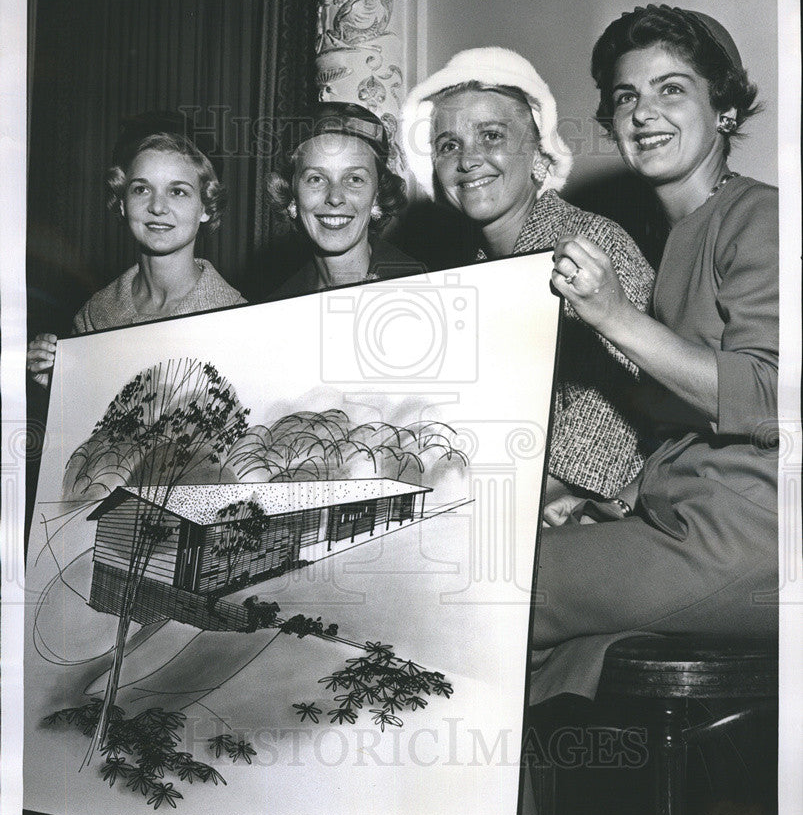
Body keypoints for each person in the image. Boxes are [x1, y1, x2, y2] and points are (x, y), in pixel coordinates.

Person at [519, 5, 778, 815]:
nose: (642, 111)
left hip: (748, 540)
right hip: (694, 522)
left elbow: (769, 396)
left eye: (672, 89)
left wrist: (611, 318)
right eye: (624, 95)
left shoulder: (763, 220)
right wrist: (614, 495)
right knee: (555, 641)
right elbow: (687, 423)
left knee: (479, 597)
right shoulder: (676, 238)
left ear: (726, 109)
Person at [400, 48, 656, 505]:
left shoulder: (594, 241)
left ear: (539, 151)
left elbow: (621, 410)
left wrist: (501, 497)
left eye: (491, 135)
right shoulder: (464, 279)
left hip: (594, 512)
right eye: (448, 145)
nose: (468, 160)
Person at [26, 131, 244, 387]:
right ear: (122, 204)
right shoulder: (96, 313)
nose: (158, 207)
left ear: (206, 208)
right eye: (141, 189)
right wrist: (57, 385)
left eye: (177, 192)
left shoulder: (237, 318)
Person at [264, 101, 425, 298]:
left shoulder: (421, 290)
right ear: (292, 195)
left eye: (354, 179)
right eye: (316, 179)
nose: (335, 197)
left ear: (377, 195)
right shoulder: (278, 306)